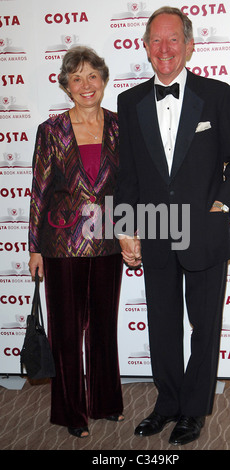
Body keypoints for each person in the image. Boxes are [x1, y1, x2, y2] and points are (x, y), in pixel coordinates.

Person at [114, 7, 230, 446]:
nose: (164, 49)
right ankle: (168, 403)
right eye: (156, 40)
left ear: (190, 45)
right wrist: (124, 227)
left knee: (205, 325)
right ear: (145, 47)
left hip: (205, 232)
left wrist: (221, 207)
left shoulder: (218, 95)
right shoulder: (130, 101)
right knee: (162, 323)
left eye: (173, 39)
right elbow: (128, 174)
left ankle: (194, 410)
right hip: (154, 231)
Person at [28, 46, 124, 438]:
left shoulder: (121, 126)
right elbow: (39, 191)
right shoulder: (51, 130)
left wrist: (131, 233)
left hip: (107, 244)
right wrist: (34, 246)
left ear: (104, 81)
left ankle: (105, 401)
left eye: (93, 76)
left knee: (104, 326)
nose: (86, 85)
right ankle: (71, 411)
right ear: (66, 85)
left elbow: (130, 188)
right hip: (62, 245)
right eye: (77, 78)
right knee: (67, 331)